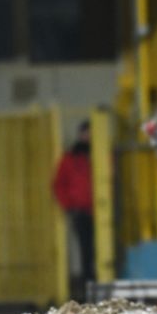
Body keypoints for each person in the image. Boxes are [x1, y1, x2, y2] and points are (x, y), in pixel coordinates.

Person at [54, 120, 95, 288]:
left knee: (98, 252)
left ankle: (94, 284)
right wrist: (69, 205)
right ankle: (88, 285)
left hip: (99, 211)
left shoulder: (100, 155)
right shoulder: (70, 159)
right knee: (86, 251)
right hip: (81, 212)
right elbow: (58, 185)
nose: (88, 137)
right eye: (86, 133)